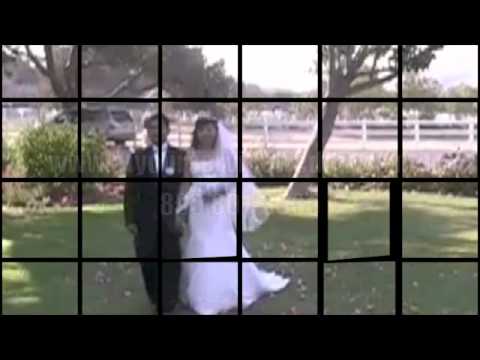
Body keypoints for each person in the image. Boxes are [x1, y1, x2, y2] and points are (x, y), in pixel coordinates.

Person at [176, 116, 289, 315]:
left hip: (218, 207)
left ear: (216, 131)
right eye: (202, 130)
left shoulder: (226, 153)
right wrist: (184, 202)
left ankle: (227, 290)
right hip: (199, 207)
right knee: (200, 242)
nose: (206, 133)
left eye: (210, 129)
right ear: (196, 133)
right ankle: (202, 291)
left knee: (220, 242)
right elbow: (187, 181)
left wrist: (217, 191)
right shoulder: (190, 154)